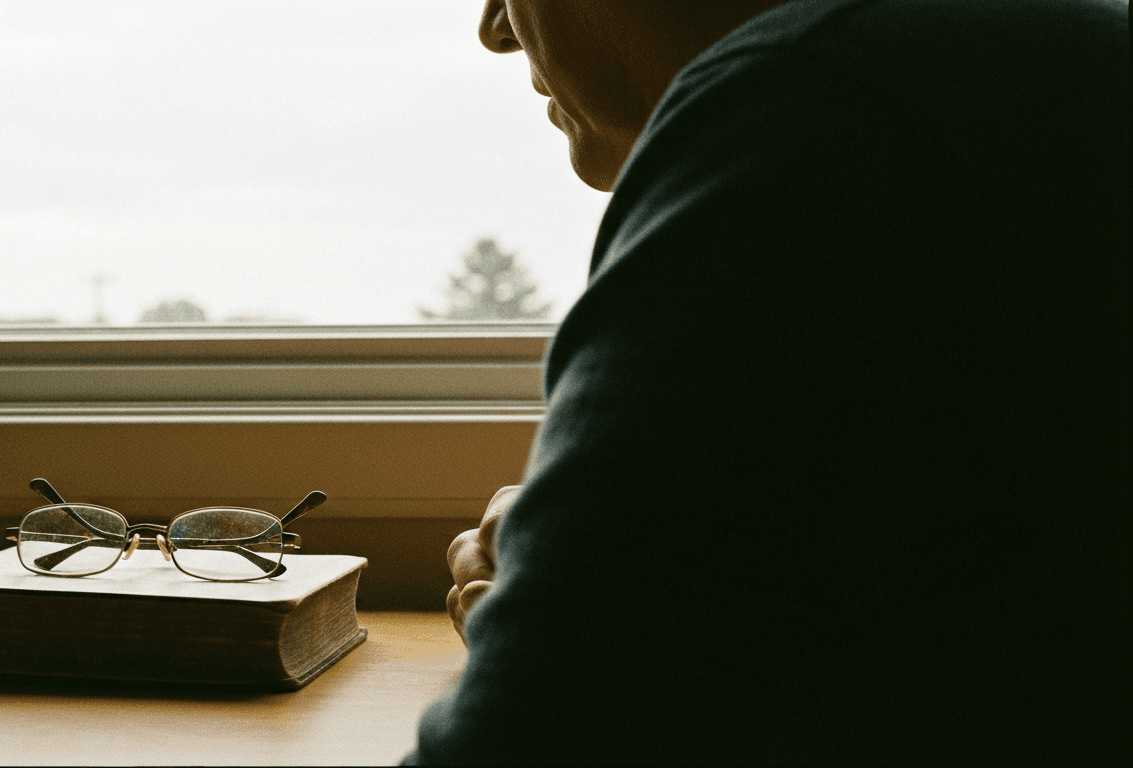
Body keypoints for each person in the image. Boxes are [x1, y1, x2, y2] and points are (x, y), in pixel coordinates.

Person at [408, 0, 1130, 763]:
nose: (495, 27)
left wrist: (566, 626)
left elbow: (528, 746)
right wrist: (602, 565)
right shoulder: (1034, 72)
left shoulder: (815, 113)